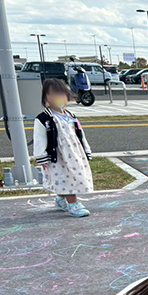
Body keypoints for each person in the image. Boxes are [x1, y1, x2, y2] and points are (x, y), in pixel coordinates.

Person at [33, 79, 94, 217]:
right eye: (53, 95)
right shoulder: (44, 118)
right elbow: (39, 138)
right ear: (46, 98)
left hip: (74, 152)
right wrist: (41, 156)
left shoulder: (71, 116)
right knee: (66, 178)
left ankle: (61, 199)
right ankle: (73, 204)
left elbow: (80, 134)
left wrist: (86, 150)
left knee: (68, 177)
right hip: (58, 156)